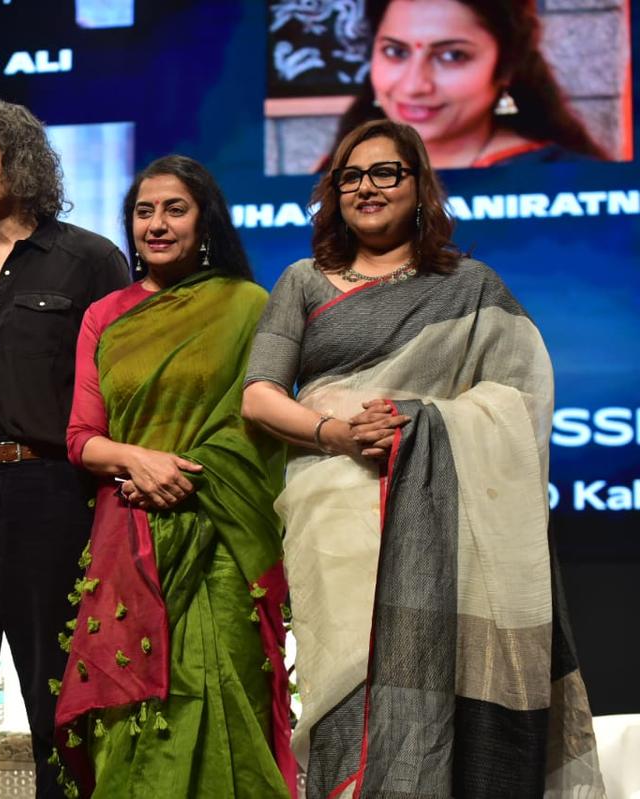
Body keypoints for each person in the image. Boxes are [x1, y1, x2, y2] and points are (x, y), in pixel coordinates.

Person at [243, 119, 604, 797]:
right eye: (350, 176)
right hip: (333, 504)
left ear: (420, 186)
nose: (366, 188)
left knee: (443, 674)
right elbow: (260, 396)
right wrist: (338, 432)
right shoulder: (304, 280)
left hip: (441, 516)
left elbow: (521, 394)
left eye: (386, 172)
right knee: (347, 679)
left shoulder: (468, 285)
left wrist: (426, 422)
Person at [52, 155, 294, 798]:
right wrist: (139, 461)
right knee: (129, 712)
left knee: (226, 694)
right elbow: (81, 439)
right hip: (126, 534)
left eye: (174, 209)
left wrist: (186, 473)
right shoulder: (105, 314)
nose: (157, 224)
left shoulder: (247, 305)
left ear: (205, 221)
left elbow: (256, 423)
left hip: (221, 538)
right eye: (143, 211)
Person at [0, 96, 130, 798]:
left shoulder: (91, 259)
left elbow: (115, 391)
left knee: (57, 692)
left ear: (19, 161)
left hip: (49, 493)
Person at [328, 0, 608, 168]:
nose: (414, 85)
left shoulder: (566, 180)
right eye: (396, 52)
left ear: (506, 67)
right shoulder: (338, 176)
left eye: (452, 56)